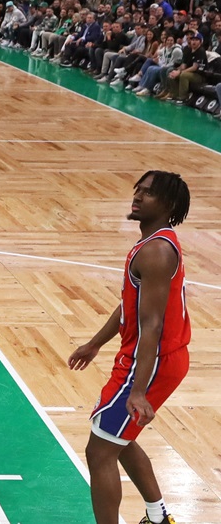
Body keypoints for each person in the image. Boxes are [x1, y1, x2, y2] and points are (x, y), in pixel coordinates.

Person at [68, 170, 191, 524]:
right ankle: (158, 516)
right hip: (154, 357)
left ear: (167, 205)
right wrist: (95, 343)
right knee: (115, 438)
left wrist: (138, 390)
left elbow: (152, 323)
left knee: (99, 451)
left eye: (148, 194)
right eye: (138, 189)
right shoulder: (155, 242)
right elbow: (133, 305)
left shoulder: (155, 252)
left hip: (151, 362)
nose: (137, 196)